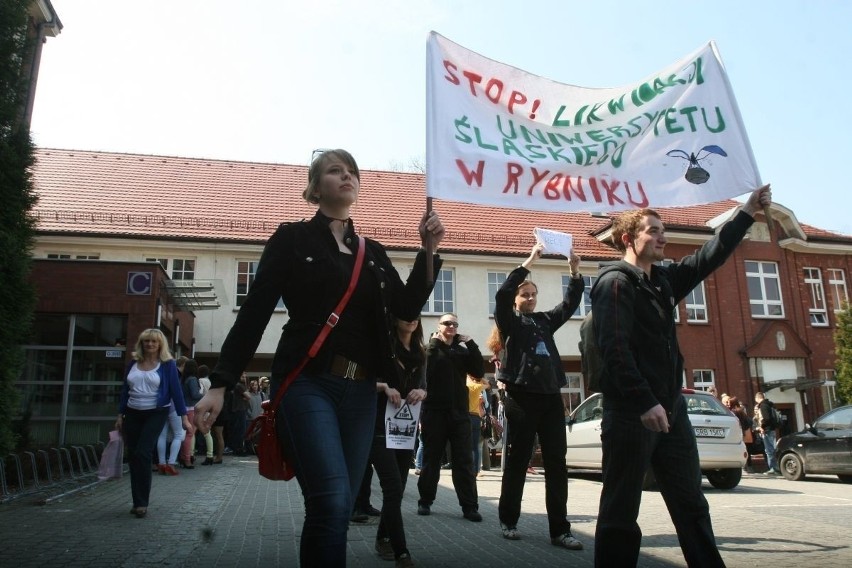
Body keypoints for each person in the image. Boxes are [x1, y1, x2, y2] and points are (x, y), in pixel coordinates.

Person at [193, 148, 444, 567]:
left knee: (340, 505)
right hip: (307, 382)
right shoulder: (292, 239)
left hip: (362, 392)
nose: (346, 176)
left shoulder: (373, 253)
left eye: (351, 172)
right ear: (315, 188)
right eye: (334, 171)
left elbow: (405, 308)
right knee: (329, 499)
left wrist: (428, 249)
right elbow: (253, 313)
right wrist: (220, 383)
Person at [591, 185, 772, 567]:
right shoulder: (615, 284)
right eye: (653, 231)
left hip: (672, 413)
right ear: (628, 238)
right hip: (630, 415)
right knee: (620, 512)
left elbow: (708, 257)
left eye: (663, 230)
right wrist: (644, 401)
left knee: (691, 504)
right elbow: (615, 350)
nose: (662, 237)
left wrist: (746, 212)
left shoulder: (662, 280)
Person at [494, 242, 584, 549]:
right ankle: (508, 520)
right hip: (521, 397)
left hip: (549, 398)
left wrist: (574, 272)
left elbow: (569, 306)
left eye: (533, 294)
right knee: (518, 460)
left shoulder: (545, 321)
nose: (530, 298)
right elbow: (501, 295)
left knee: (557, 463)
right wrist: (528, 261)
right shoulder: (510, 321)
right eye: (525, 294)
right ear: (517, 300)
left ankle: (560, 530)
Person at [371, 315, 428, 567]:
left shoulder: (421, 353)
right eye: (406, 315)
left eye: (416, 315)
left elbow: (425, 385)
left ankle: (383, 536)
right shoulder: (383, 347)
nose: (412, 320)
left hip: (406, 429)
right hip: (379, 426)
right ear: (395, 320)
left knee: (398, 489)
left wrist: (422, 392)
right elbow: (363, 379)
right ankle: (401, 552)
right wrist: (384, 387)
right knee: (392, 488)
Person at [115, 328, 190, 518]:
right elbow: (125, 390)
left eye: (154, 342)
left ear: (160, 344)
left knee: (143, 452)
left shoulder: (167, 365)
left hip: (156, 413)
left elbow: (176, 392)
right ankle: (136, 500)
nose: (150, 344)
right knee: (133, 456)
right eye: (147, 341)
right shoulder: (133, 363)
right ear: (142, 343)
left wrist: (184, 417)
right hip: (132, 413)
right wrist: (119, 415)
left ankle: (142, 503)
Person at [417, 313, 484, 521]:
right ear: (439, 327)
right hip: (434, 413)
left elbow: (479, 370)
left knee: (464, 461)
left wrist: (471, 344)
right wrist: (436, 342)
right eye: (447, 323)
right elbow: (427, 368)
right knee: (431, 459)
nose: (451, 327)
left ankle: (470, 507)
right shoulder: (431, 349)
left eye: (454, 324)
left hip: (459, 414)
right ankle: (425, 501)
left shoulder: (460, 352)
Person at [179, 358, 203, 468]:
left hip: (183, 408)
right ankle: (187, 459)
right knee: (190, 434)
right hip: (191, 408)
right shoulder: (193, 379)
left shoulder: (184, 379)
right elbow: (195, 394)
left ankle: (182, 456)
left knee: (183, 434)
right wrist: (204, 396)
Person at [466, 374, 490, 476]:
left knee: (465, 445)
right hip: (476, 417)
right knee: (475, 446)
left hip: (466, 416)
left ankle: (466, 468)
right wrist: (480, 378)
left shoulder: (465, 385)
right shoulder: (477, 386)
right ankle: (475, 470)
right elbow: (488, 385)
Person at [754, 391, 781, 475]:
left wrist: (762, 426)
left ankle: (773, 468)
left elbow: (766, 418)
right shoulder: (770, 404)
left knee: (769, 450)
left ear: (758, 398)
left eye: (756, 399)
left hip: (767, 430)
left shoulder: (763, 405)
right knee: (771, 449)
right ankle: (775, 467)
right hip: (772, 429)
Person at [197, 364, 216, 466]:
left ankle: (191, 454)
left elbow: (199, 393)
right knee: (208, 432)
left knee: (194, 431)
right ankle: (210, 454)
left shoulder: (200, 381)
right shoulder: (210, 382)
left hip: (202, 409)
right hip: (209, 409)